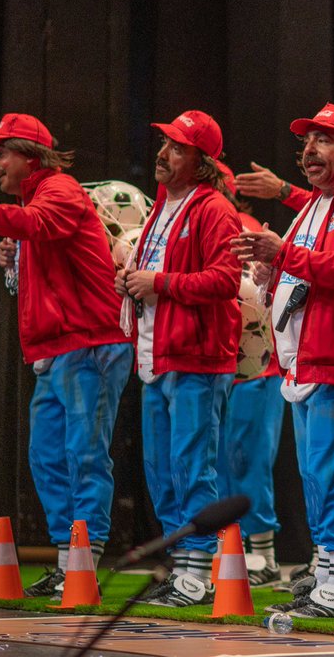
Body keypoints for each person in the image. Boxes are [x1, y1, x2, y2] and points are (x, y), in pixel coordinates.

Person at [0, 114, 133, 602]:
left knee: (83, 455)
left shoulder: (57, 189)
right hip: (58, 351)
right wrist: (16, 261)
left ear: (29, 155)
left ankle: (84, 563)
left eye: (1, 153)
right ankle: (68, 563)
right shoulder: (34, 201)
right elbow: (38, 247)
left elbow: (38, 224)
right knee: (46, 457)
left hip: (89, 344)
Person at [236, 103, 334, 618]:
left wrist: (282, 255)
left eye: (324, 140)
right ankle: (329, 571)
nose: (309, 150)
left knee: (329, 474)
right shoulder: (318, 204)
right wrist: (271, 274)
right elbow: (308, 271)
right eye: (307, 141)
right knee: (315, 474)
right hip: (307, 361)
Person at [119, 110, 242, 607]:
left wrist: (158, 283)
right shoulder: (162, 209)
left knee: (192, 467)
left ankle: (196, 574)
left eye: (177, 147)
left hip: (195, 357)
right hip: (156, 357)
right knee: (160, 470)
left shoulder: (213, 208)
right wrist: (130, 282)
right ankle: (180, 569)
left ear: (202, 161)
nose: (163, 154)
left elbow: (226, 281)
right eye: (165, 144)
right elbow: (155, 278)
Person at [214, 161, 285, 588]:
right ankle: (232, 547)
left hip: (256, 366)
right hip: (216, 363)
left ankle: (264, 554)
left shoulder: (242, 227)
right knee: (221, 458)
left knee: (248, 456)